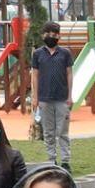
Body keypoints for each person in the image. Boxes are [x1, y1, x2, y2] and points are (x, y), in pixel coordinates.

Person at [31, 28, 74, 170]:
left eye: (54, 34)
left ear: (59, 36)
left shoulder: (65, 53)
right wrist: (35, 97)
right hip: (44, 98)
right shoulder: (37, 54)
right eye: (48, 34)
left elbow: (69, 74)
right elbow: (35, 75)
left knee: (63, 131)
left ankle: (65, 161)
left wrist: (69, 96)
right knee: (48, 132)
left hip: (62, 98)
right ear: (43, 35)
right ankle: (51, 161)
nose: (51, 37)